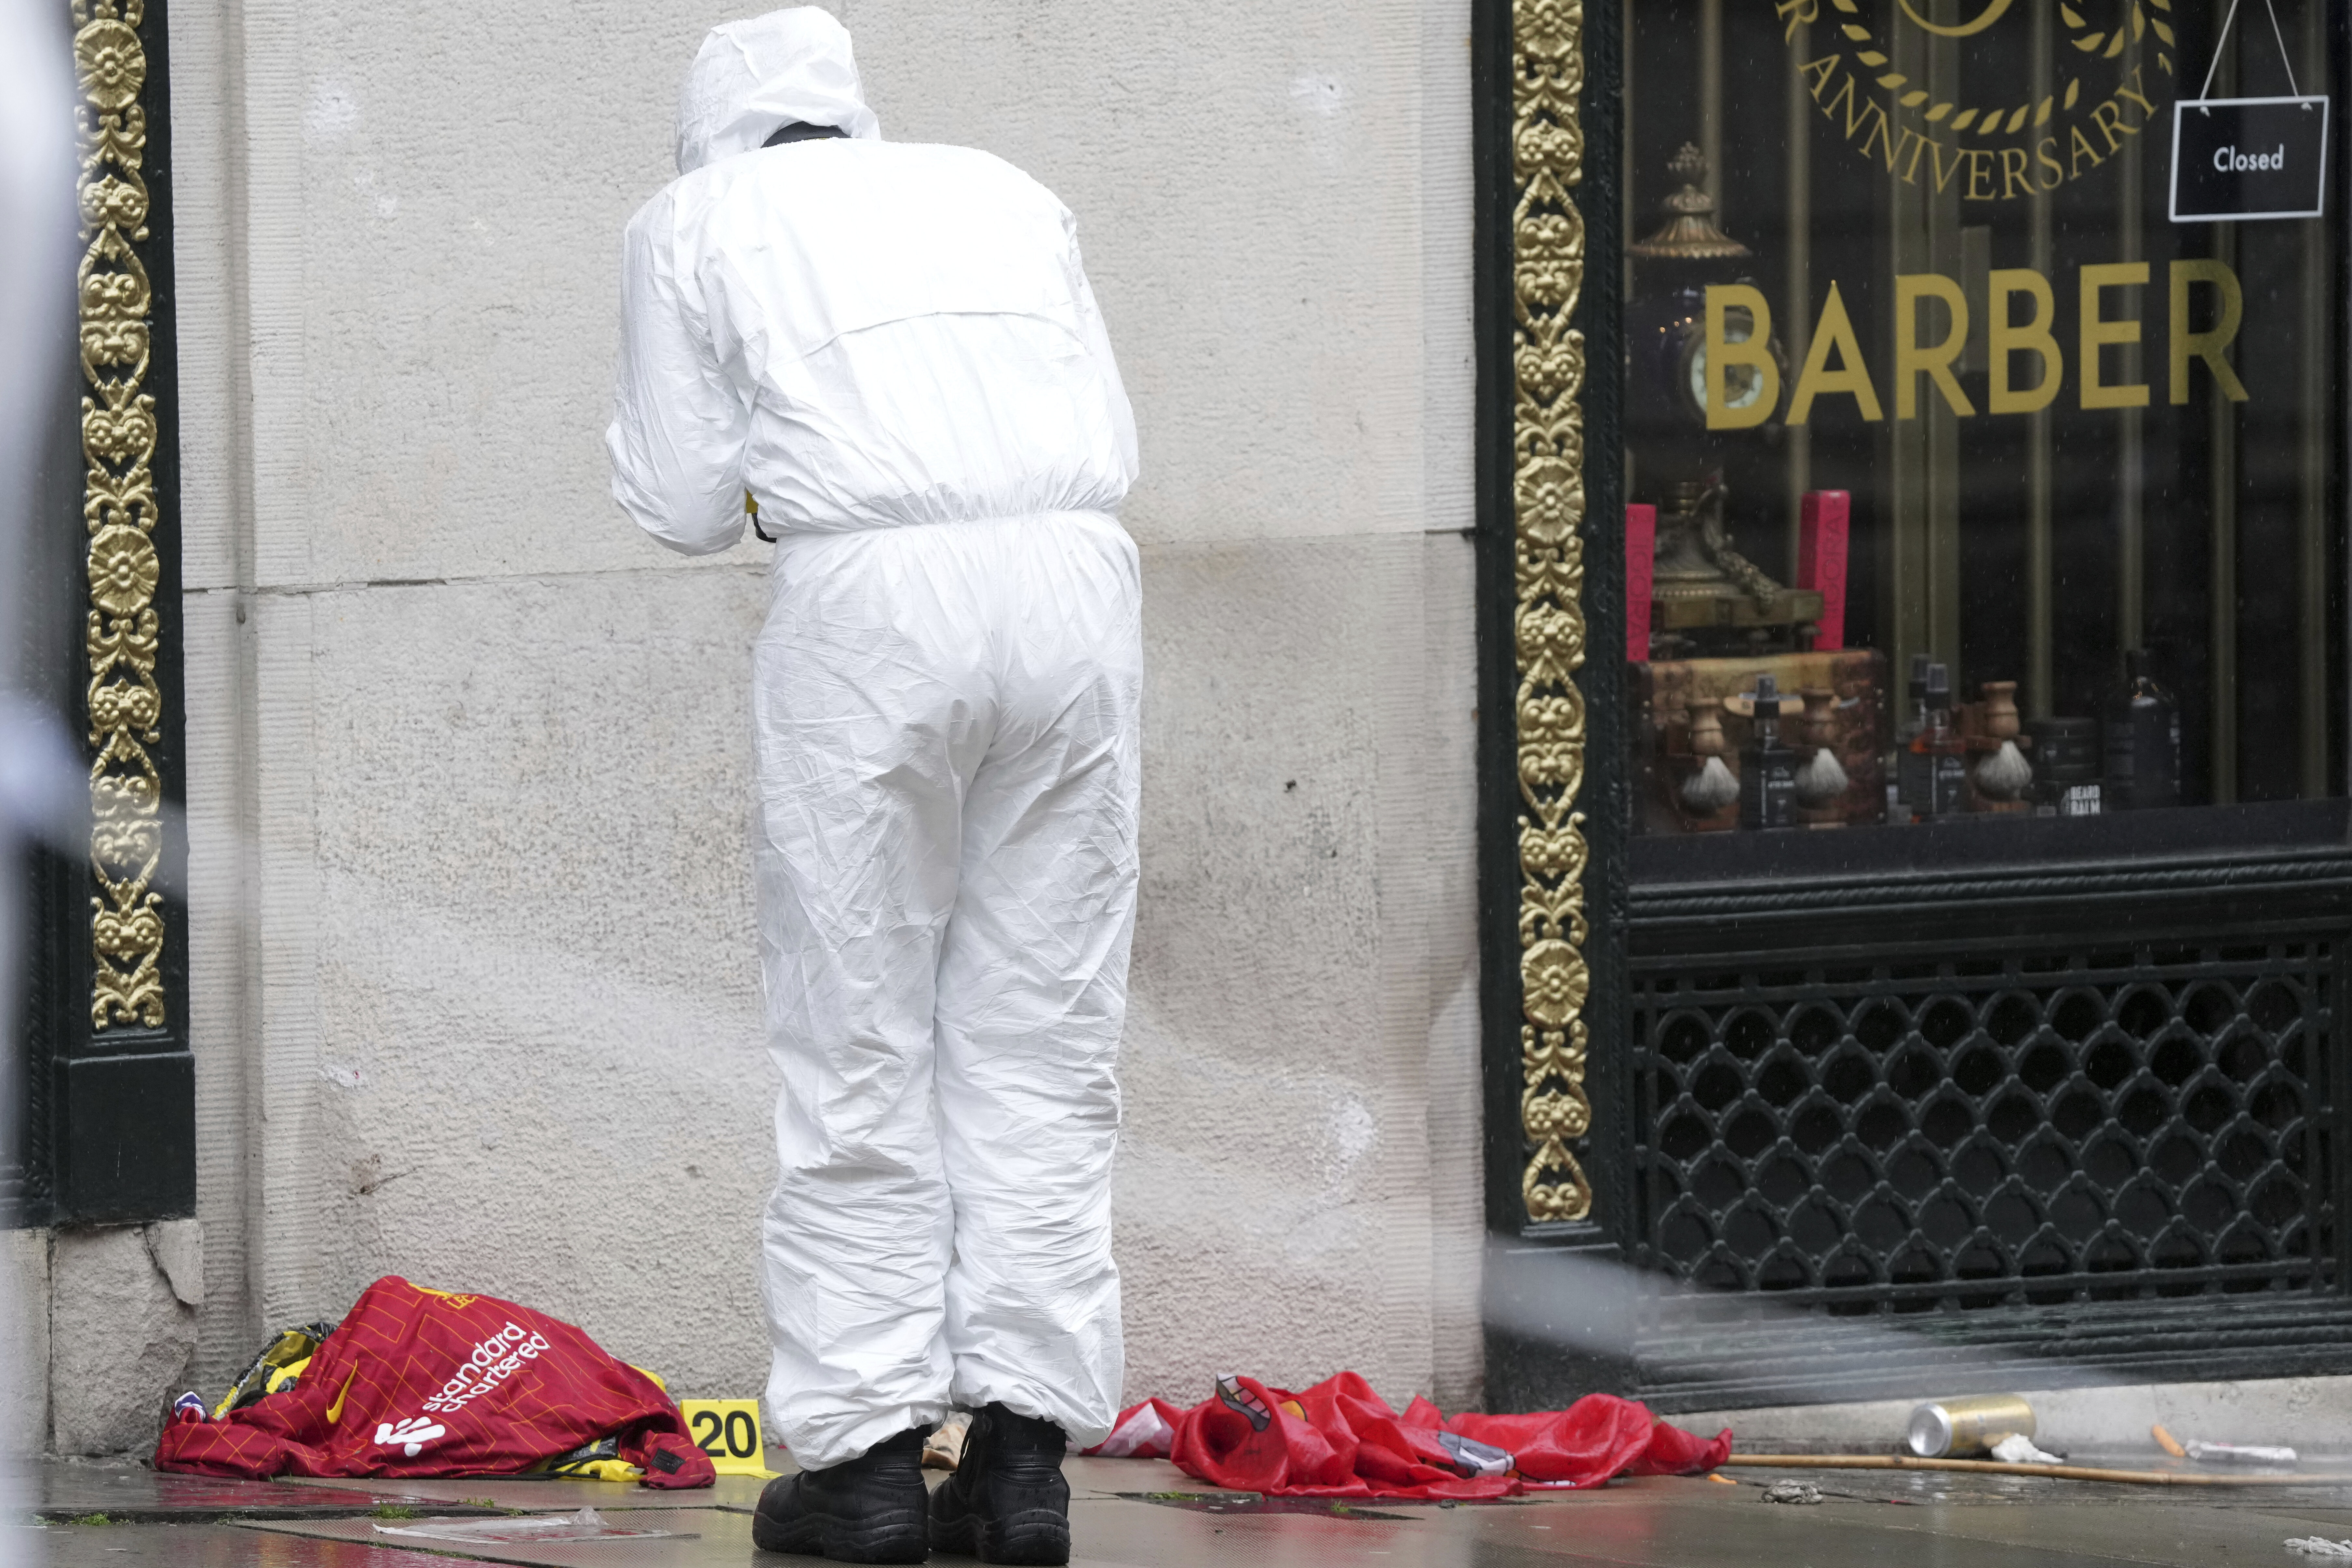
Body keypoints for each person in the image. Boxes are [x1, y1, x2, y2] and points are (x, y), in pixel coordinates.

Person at [606, 11, 1141, 1564]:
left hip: (872, 605)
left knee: (854, 1029)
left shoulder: (691, 218)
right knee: (1045, 1026)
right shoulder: (1001, 184)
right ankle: (1025, 1461)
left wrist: (792, 454)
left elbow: (681, 497)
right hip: (1077, 583)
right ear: (846, 114)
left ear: (708, 130)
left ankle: (859, 1465)